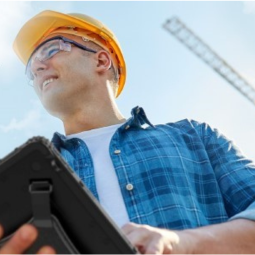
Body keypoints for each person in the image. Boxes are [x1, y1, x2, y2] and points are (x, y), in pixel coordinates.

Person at [2, 9, 255, 254]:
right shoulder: (21, 179)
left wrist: (185, 244)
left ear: (101, 60)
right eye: (31, 67)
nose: (37, 68)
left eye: (51, 49)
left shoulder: (193, 137)